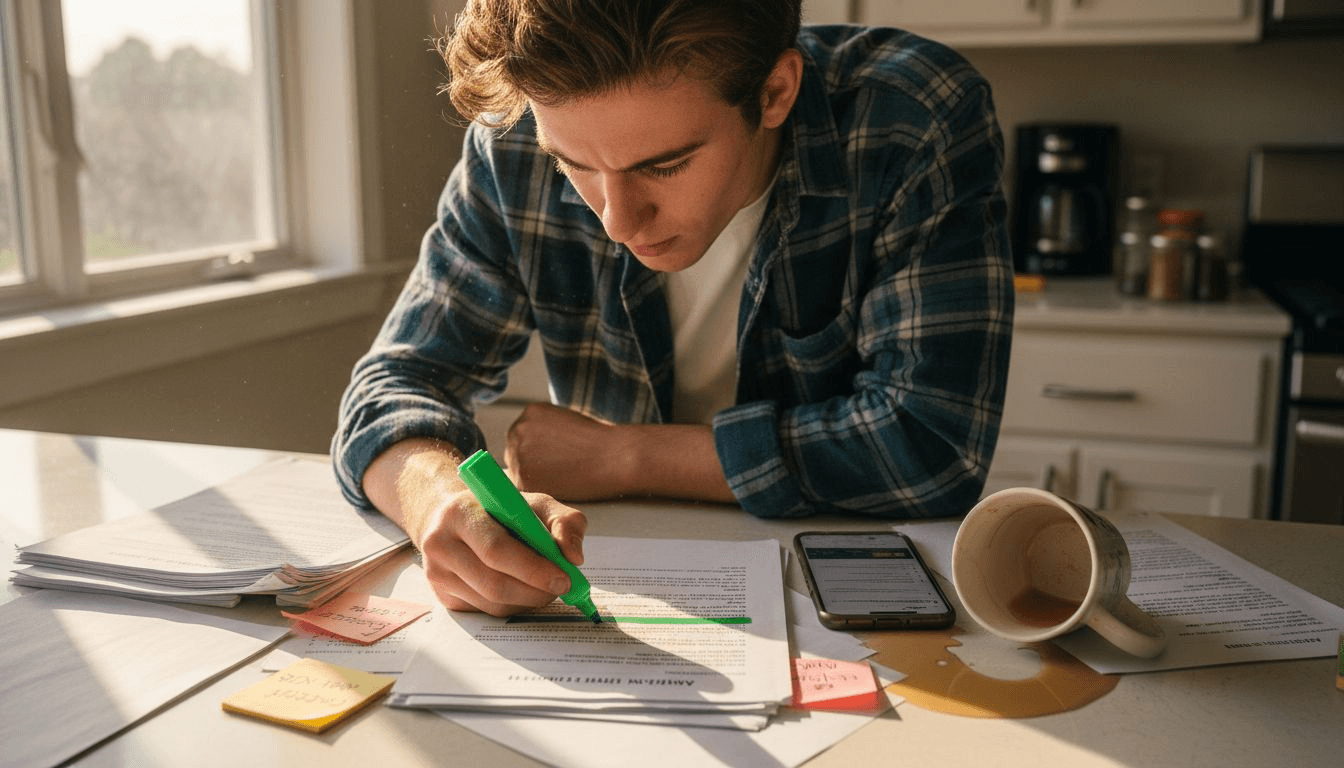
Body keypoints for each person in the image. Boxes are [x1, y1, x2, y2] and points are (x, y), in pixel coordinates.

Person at [333, 0, 1014, 618]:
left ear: (775, 92)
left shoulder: (911, 115)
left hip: (852, 584)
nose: (618, 221)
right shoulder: (511, 141)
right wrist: (437, 502)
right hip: (617, 574)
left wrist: (627, 458)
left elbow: (932, 447)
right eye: (575, 166)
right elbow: (392, 387)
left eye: (664, 165)